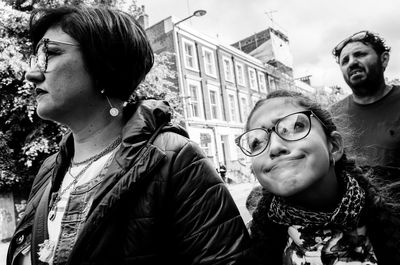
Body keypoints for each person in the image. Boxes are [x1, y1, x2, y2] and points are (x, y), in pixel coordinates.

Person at [7, 5, 251, 265]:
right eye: (35, 58)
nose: (31, 73)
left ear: (105, 66)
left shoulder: (174, 160)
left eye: (51, 53)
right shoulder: (47, 171)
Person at [235, 89, 400, 264]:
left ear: (334, 146)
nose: (274, 147)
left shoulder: (393, 215)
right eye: (256, 142)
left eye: (293, 127)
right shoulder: (249, 243)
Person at [330, 30, 400, 168]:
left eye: (360, 54)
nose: (352, 63)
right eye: (345, 61)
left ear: (384, 59)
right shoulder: (332, 116)